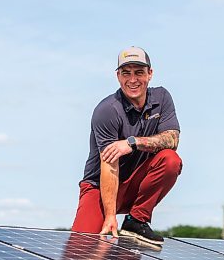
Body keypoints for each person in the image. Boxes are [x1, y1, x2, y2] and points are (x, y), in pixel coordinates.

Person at [71, 46, 182, 245]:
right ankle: (108, 224)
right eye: (126, 73)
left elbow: (172, 139)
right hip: (100, 186)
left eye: (139, 72)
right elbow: (109, 164)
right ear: (118, 76)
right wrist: (110, 215)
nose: (133, 80)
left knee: (170, 160)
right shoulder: (107, 110)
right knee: (80, 251)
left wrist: (132, 143)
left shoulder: (162, 98)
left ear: (150, 74)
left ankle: (136, 220)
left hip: (135, 184)